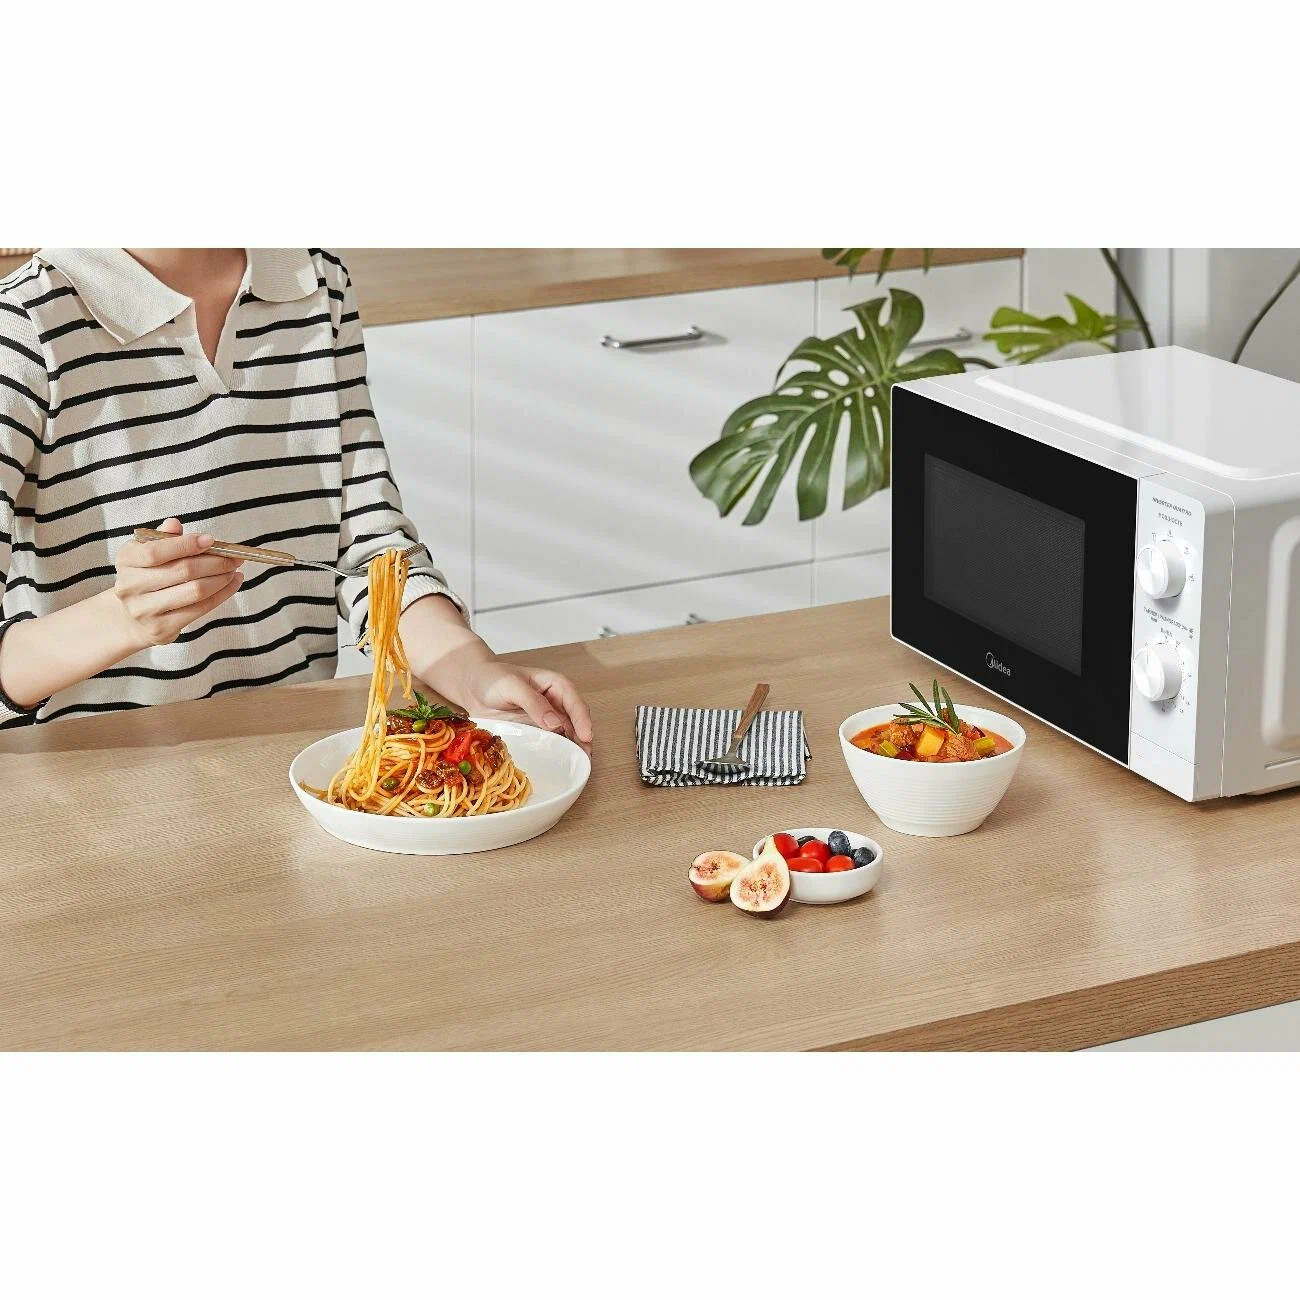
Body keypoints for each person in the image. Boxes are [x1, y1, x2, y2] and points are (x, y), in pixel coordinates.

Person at [0, 248, 592, 745]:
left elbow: (370, 548)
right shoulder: (24, 326)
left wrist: (471, 670)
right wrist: (121, 618)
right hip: (90, 779)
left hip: (286, 755)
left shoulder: (315, 282)